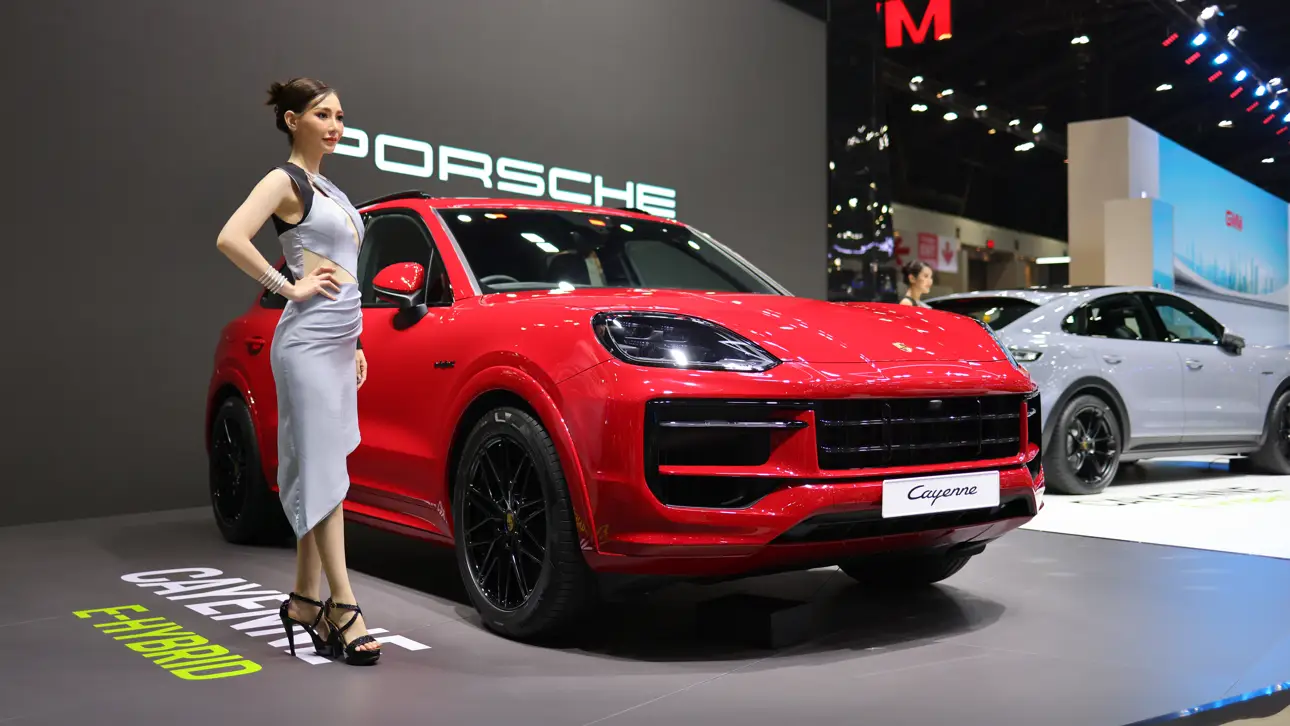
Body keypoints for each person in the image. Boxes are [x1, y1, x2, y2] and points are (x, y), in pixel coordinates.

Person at [214, 77, 380, 666]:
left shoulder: (329, 187)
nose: (335, 125)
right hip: (306, 342)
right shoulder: (284, 181)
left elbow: (346, 270)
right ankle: (346, 605)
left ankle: (306, 600)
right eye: (322, 115)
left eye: (340, 116)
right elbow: (230, 237)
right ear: (292, 121)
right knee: (324, 472)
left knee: (323, 469)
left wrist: (355, 341)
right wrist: (288, 287)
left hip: (337, 344)